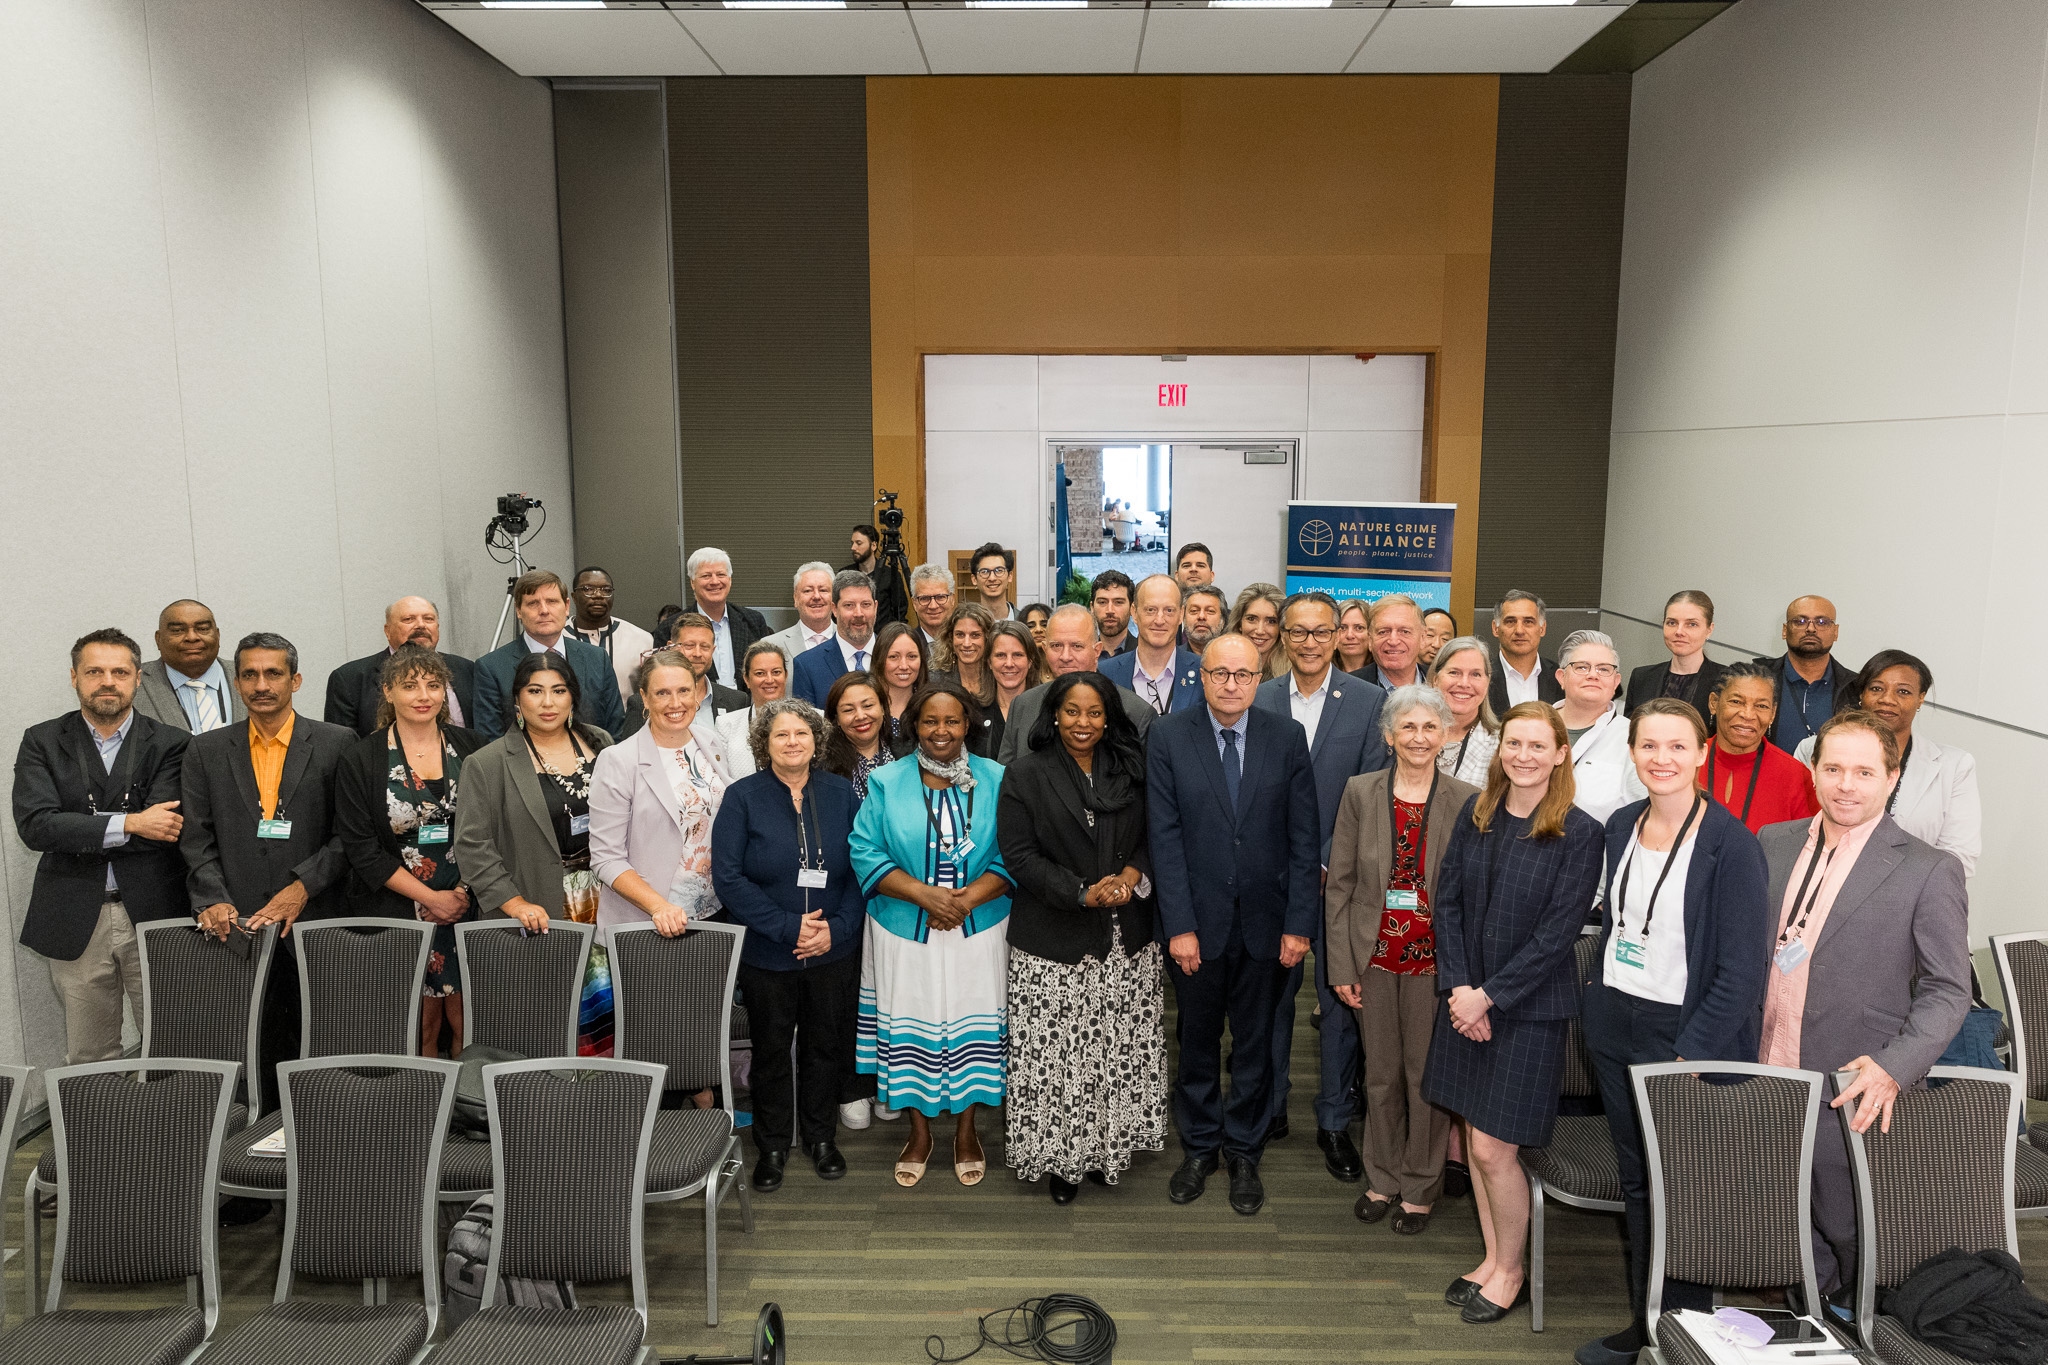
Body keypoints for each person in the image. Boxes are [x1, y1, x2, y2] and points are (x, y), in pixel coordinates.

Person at [1578, 699, 1770, 1365]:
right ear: (1633, 752)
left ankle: (1684, 1330)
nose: (1661, 758)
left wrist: (1698, 1046)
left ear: (1700, 752)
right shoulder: (1622, 824)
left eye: (1676, 746)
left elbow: (1746, 966)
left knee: (1682, 1183)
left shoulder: (1731, 844)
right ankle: (1647, 1319)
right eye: (1649, 745)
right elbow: (1618, 922)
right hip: (1615, 1020)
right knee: (1636, 1177)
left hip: (1683, 1035)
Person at [1756, 710, 1970, 1303]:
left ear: (1891, 777)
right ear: (1814, 771)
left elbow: (1949, 988)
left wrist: (1895, 1066)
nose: (1846, 784)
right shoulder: (1773, 842)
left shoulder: (1929, 869)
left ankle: (1862, 1325)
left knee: (1849, 1226)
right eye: (1833, 768)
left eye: (1864, 771)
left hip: (1852, 1078)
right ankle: (1810, 1319)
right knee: (1781, 1212)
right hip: (1765, 1067)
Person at [1423, 702, 1604, 1325]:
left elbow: (1557, 936)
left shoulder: (1580, 833)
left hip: (1525, 1013)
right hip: (1463, 1003)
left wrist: (1489, 996)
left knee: (1497, 1149)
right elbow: (1444, 903)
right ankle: (1493, 1257)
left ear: (1560, 754)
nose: (1523, 756)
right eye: (1513, 744)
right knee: (1475, 1141)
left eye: (1537, 745)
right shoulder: (1478, 815)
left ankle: (1512, 1271)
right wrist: (1458, 989)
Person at [1149, 633, 1320, 1216]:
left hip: (1268, 928)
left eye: (1243, 675)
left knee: (1255, 1045)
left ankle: (1245, 1150)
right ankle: (1199, 1147)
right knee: (1196, 1042)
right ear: (1200, 674)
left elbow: (1304, 837)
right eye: (1219, 673)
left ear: (1259, 676)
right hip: (1197, 925)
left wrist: (1300, 924)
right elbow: (1164, 838)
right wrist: (1179, 925)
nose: (1230, 684)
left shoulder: (1286, 736)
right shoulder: (1170, 735)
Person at [998, 672, 1166, 1203]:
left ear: (1109, 717)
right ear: (1053, 714)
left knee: (1112, 1052)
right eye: (1072, 712)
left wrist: (1133, 876)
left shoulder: (1134, 770)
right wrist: (1081, 893)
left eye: (1094, 713)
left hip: (1125, 943)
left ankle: (1106, 1150)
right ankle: (1063, 1161)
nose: (1083, 723)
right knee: (1060, 1059)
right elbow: (1019, 855)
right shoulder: (1025, 774)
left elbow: (1154, 837)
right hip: (1053, 939)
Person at [1324, 685, 1481, 1235]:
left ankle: (1419, 1185)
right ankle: (1382, 1176)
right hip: (1374, 956)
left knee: (1423, 1078)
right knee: (1380, 1076)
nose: (1419, 737)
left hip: (1436, 962)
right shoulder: (1360, 792)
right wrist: (1341, 967)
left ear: (1444, 735)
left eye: (1429, 728)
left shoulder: (1466, 798)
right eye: (1407, 728)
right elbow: (1339, 884)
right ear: (1389, 737)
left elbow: (1471, 893)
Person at [181, 633, 356, 1115]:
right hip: (236, 926)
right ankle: (251, 1155)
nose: (262, 685)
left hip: (314, 919)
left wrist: (301, 889)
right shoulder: (206, 750)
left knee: (318, 1040)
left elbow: (351, 835)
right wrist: (212, 898)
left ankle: (322, 1141)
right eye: (250, 675)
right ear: (237, 684)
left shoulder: (337, 742)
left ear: (296, 680)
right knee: (249, 1043)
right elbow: (195, 837)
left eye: (274, 673)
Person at [850, 680, 1014, 1187]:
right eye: (929, 721)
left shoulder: (997, 778)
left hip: (978, 927)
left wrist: (964, 900)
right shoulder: (886, 781)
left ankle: (968, 1130)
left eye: (952, 721)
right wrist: (926, 896)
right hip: (903, 928)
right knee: (908, 1025)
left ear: (968, 725)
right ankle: (919, 1132)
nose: (941, 731)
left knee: (971, 1024)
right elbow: (864, 850)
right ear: (913, 727)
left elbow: (1016, 849)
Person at [1252, 592, 1390, 1178]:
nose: (1309, 642)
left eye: (1320, 632)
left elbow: (1371, 792)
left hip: (1344, 877)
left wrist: (1327, 862)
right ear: (1282, 636)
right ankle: (1272, 1105)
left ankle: (1334, 1121)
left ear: (1338, 636)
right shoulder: (1256, 697)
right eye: (1298, 632)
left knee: (1339, 1001)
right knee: (1271, 1000)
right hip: (1273, 876)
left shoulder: (1368, 701)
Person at [14, 629, 189, 1064]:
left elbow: (165, 825)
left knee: (169, 1044)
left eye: (119, 671)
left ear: (138, 679)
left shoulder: (172, 742)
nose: (107, 681)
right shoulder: (41, 740)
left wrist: (78, 827)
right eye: (95, 671)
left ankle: (170, 1130)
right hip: (74, 912)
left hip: (153, 910)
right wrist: (132, 822)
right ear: (74, 677)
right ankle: (99, 1132)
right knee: (90, 1054)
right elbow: (37, 826)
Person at [712, 698, 865, 1190]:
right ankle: (773, 1145)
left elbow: (863, 869)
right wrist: (787, 927)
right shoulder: (743, 797)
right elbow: (728, 879)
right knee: (772, 1050)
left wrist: (835, 930)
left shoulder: (842, 793)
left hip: (832, 951)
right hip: (768, 952)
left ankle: (821, 1138)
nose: (792, 742)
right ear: (765, 743)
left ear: (816, 740)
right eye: (781, 735)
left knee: (825, 1046)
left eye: (802, 733)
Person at [451, 650, 617, 1057]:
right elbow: (472, 845)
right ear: (517, 700)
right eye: (535, 691)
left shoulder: (602, 745)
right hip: (534, 905)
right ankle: (548, 1111)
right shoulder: (487, 763)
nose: (548, 702)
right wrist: (514, 902)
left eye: (559, 691)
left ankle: (604, 1103)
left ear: (573, 697)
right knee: (547, 1023)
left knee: (608, 1015)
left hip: (607, 899)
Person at [332, 644, 487, 1057]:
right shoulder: (361, 757)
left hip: (469, 905)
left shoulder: (474, 746)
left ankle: (469, 1112)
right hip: (399, 909)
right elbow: (360, 847)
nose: (423, 695)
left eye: (433, 685)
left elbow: (492, 830)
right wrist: (430, 899)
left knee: (470, 1024)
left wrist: (462, 895)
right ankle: (425, 1111)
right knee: (419, 1027)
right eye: (410, 685)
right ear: (388, 692)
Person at [589, 650, 734, 946]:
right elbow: (606, 859)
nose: (675, 703)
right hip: (650, 922)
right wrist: (658, 907)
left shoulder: (712, 741)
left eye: (683, 690)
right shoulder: (618, 760)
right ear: (644, 698)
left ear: (697, 693)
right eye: (662, 693)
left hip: (715, 914)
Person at [1791, 649, 1979, 876]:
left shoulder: (1955, 766)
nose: (1887, 699)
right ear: (1861, 694)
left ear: (1921, 697)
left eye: (1903, 691)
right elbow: (1794, 831)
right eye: (1877, 688)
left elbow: (1958, 858)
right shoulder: (1811, 749)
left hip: (1904, 897)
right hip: (1819, 878)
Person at [472, 570, 626, 739]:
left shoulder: (597, 658)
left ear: (567, 607)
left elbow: (616, 728)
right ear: (518, 610)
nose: (544, 610)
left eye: (552, 601)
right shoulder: (491, 668)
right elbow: (489, 740)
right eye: (533, 603)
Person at [996, 606, 1155, 766]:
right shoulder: (1024, 705)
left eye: (1077, 646)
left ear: (1097, 651)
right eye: (1056, 646)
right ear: (1044, 649)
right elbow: (1004, 779)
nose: (1065, 656)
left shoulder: (1135, 713)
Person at [325, 597, 476, 734]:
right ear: (387, 631)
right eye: (408, 619)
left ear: (437, 627)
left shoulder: (467, 669)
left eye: (428, 619)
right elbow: (343, 749)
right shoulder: (349, 679)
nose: (421, 625)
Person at [1698, 662, 1819, 834]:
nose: (1747, 714)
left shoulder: (1796, 776)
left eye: (1761, 706)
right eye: (1736, 701)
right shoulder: (1685, 761)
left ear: (1773, 713)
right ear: (1714, 703)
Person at [1553, 630, 1645, 828]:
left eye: (1604, 669)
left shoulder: (1635, 738)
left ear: (1616, 682)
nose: (1593, 675)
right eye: (1582, 667)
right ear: (1562, 677)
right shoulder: (1531, 726)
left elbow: (1645, 815)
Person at [132, 598, 244, 733]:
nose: (191, 637)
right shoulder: (133, 683)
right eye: (178, 630)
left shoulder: (248, 675)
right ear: (158, 639)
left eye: (202, 629)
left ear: (218, 635)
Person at [1099, 574, 1201, 716]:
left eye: (1169, 610)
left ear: (1181, 615)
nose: (1159, 620)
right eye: (1150, 610)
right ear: (1134, 612)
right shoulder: (1104, 674)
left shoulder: (1203, 672)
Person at [1757, 594, 1844, 753]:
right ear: (1785, 630)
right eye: (1800, 621)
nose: (1811, 628)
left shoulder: (1854, 688)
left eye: (1822, 622)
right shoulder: (1756, 678)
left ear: (1835, 632)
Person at [1622, 590, 1725, 721]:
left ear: (1709, 630)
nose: (1679, 631)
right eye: (1672, 623)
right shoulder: (1642, 677)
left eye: (1691, 624)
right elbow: (1629, 733)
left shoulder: (1726, 680)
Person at [569, 566, 656, 705]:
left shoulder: (641, 639)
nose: (598, 595)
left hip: (628, 723)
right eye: (588, 589)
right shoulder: (557, 638)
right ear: (573, 597)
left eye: (606, 590)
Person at [791, 570, 880, 707]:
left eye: (865, 604)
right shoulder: (807, 665)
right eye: (849, 605)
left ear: (875, 607)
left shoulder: (896, 657)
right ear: (834, 609)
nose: (858, 613)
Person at [687, 547, 770, 688]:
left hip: (746, 705)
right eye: (706, 576)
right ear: (692, 582)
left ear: (730, 580)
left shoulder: (754, 621)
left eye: (720, 574)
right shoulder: (671, 628)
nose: (714, 581)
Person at [1429, 638, 1499, 785]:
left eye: (1475, 674)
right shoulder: (1410, 735)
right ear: (1436, 680)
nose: (1464, 683)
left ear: (1487, 682)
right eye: (1454, 672)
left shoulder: (1501, 744)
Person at [718, 641, 790, 780]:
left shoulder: (814, 719)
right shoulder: (726, 725)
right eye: (760, 673)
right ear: (746, 679)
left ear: (786, 676)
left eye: (776, 672)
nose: (769, 680)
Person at [667, 611, 751, 725]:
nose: (697, 653)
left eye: (704, 647)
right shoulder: (644, 704)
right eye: (689, 646)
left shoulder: (737, 702)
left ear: (713, 650)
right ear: (671, 648)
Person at [1488, 590, 1562, 715]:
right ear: (1495, 628)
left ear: (1542, 628)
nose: (1519, 630)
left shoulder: (1560, 678)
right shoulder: (1479, 676)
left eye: (1528, 622)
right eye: (1511, 621)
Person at [982, 621, 1044, 762]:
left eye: (1017, 655)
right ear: (989, 662)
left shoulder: (1046, 709)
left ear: (1030, 661)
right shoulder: (974, 712)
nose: (1009, 663)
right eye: (1000, 655)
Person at [868, 622, 930, 753]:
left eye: (912, 656)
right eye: (893, 657)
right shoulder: (865, 708)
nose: (904, 665)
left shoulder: (932, 705)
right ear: (879, 659)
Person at [761, 562, 839, 663]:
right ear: (796, 599)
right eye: (807, 591)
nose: (816, 596)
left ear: (834, 598)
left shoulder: (852, 641)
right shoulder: (770, 645)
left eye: (823, 590)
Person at [1227, 583, 1288, 682]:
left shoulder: (1293, 674)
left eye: (1271, 621)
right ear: (1239, 623)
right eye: (1251, 619)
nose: (1260, 631)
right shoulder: (1219, 665)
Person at [908, 563, 956, 652]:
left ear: (952, 599)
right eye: (925, 598)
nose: (933, 606)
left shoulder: (966, 642)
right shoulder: (906, 644)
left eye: (940, 597)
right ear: (914, 603)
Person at [1090, 570, 1137, 657]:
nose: (1110, 610)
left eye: (1118, 602)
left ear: (1132, 609)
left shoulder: (1143, 654)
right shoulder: (1084, 656)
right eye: (1102, 602)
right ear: (1092, 608)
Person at [966, 542, 1016, 621]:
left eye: (999, 570)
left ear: (1010, 576)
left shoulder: (1026, 623)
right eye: (984, 572)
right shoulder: (966, 625)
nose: (992, 578)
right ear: (974, 579)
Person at [1181, 584, 1227, 656]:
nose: (1201, 616)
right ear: (1183, 618)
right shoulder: (1172, 659)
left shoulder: (1233, 660)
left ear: (1223, 621)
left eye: (1210, 611)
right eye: (1194, 610)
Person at [1336, 599, 1374, 677]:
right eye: (1342, 628)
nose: (1349, 635)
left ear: (1371, 633)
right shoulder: (1322, 673)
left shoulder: (1384, 674)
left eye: (1359, 628)